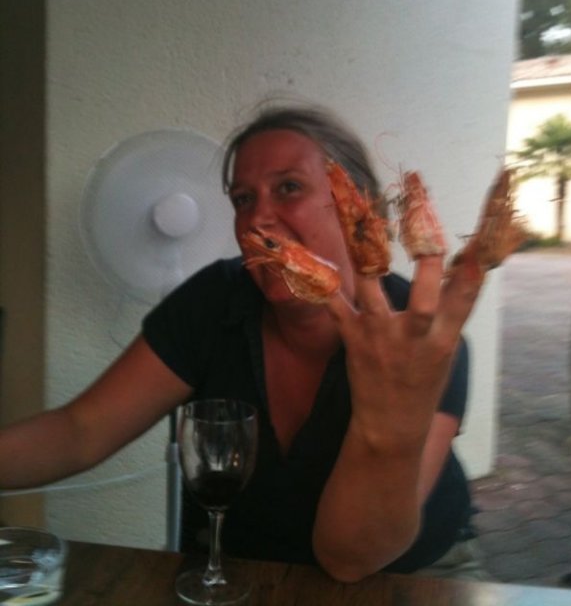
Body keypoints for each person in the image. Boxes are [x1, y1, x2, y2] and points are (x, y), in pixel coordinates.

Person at [0, 102, 486, 583]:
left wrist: (387, 423)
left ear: (358, 210)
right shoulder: (212, 303)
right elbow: (80, 431)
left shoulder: (421, 343)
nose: (256, 220)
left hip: (409, 579)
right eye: (243, 199)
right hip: (240, 572)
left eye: (289, 187)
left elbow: (350, 559)